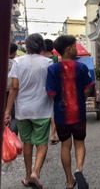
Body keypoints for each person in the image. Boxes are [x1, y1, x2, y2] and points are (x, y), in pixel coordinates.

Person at [4, 33, 53, 189]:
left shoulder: (18, 62)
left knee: (27, 143)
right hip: (42, 110)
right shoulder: (49, 62)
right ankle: (35, 173)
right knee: (42, 143)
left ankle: (27, 175)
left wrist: (7, 111)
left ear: (27, 46)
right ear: (42, 47)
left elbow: (14, 87)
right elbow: (52, 88)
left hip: (22, 110)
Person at [46, 35, 93, 189]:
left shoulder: (52, 69)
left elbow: (51, 93)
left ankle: (69, 181)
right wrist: (80, 98)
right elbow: (88, 88)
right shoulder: (81, 67)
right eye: (74, 45)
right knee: (80, 143)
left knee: (65, 146)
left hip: (61, 115)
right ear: (68, 49)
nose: (76, 48)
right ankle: (79, 170)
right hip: (79, 113)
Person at [42, 38, 59, 145]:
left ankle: (50, 134)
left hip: (41, 89)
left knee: (45, 112)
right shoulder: (55, 59)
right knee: (54, 112)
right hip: (53, 88)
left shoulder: (40, 59)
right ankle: (53, 134)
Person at [6, 43, 18, 134]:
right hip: (12, 92)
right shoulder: (16, 63)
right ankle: (12, 136)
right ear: (14, 52)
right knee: (14, 116)